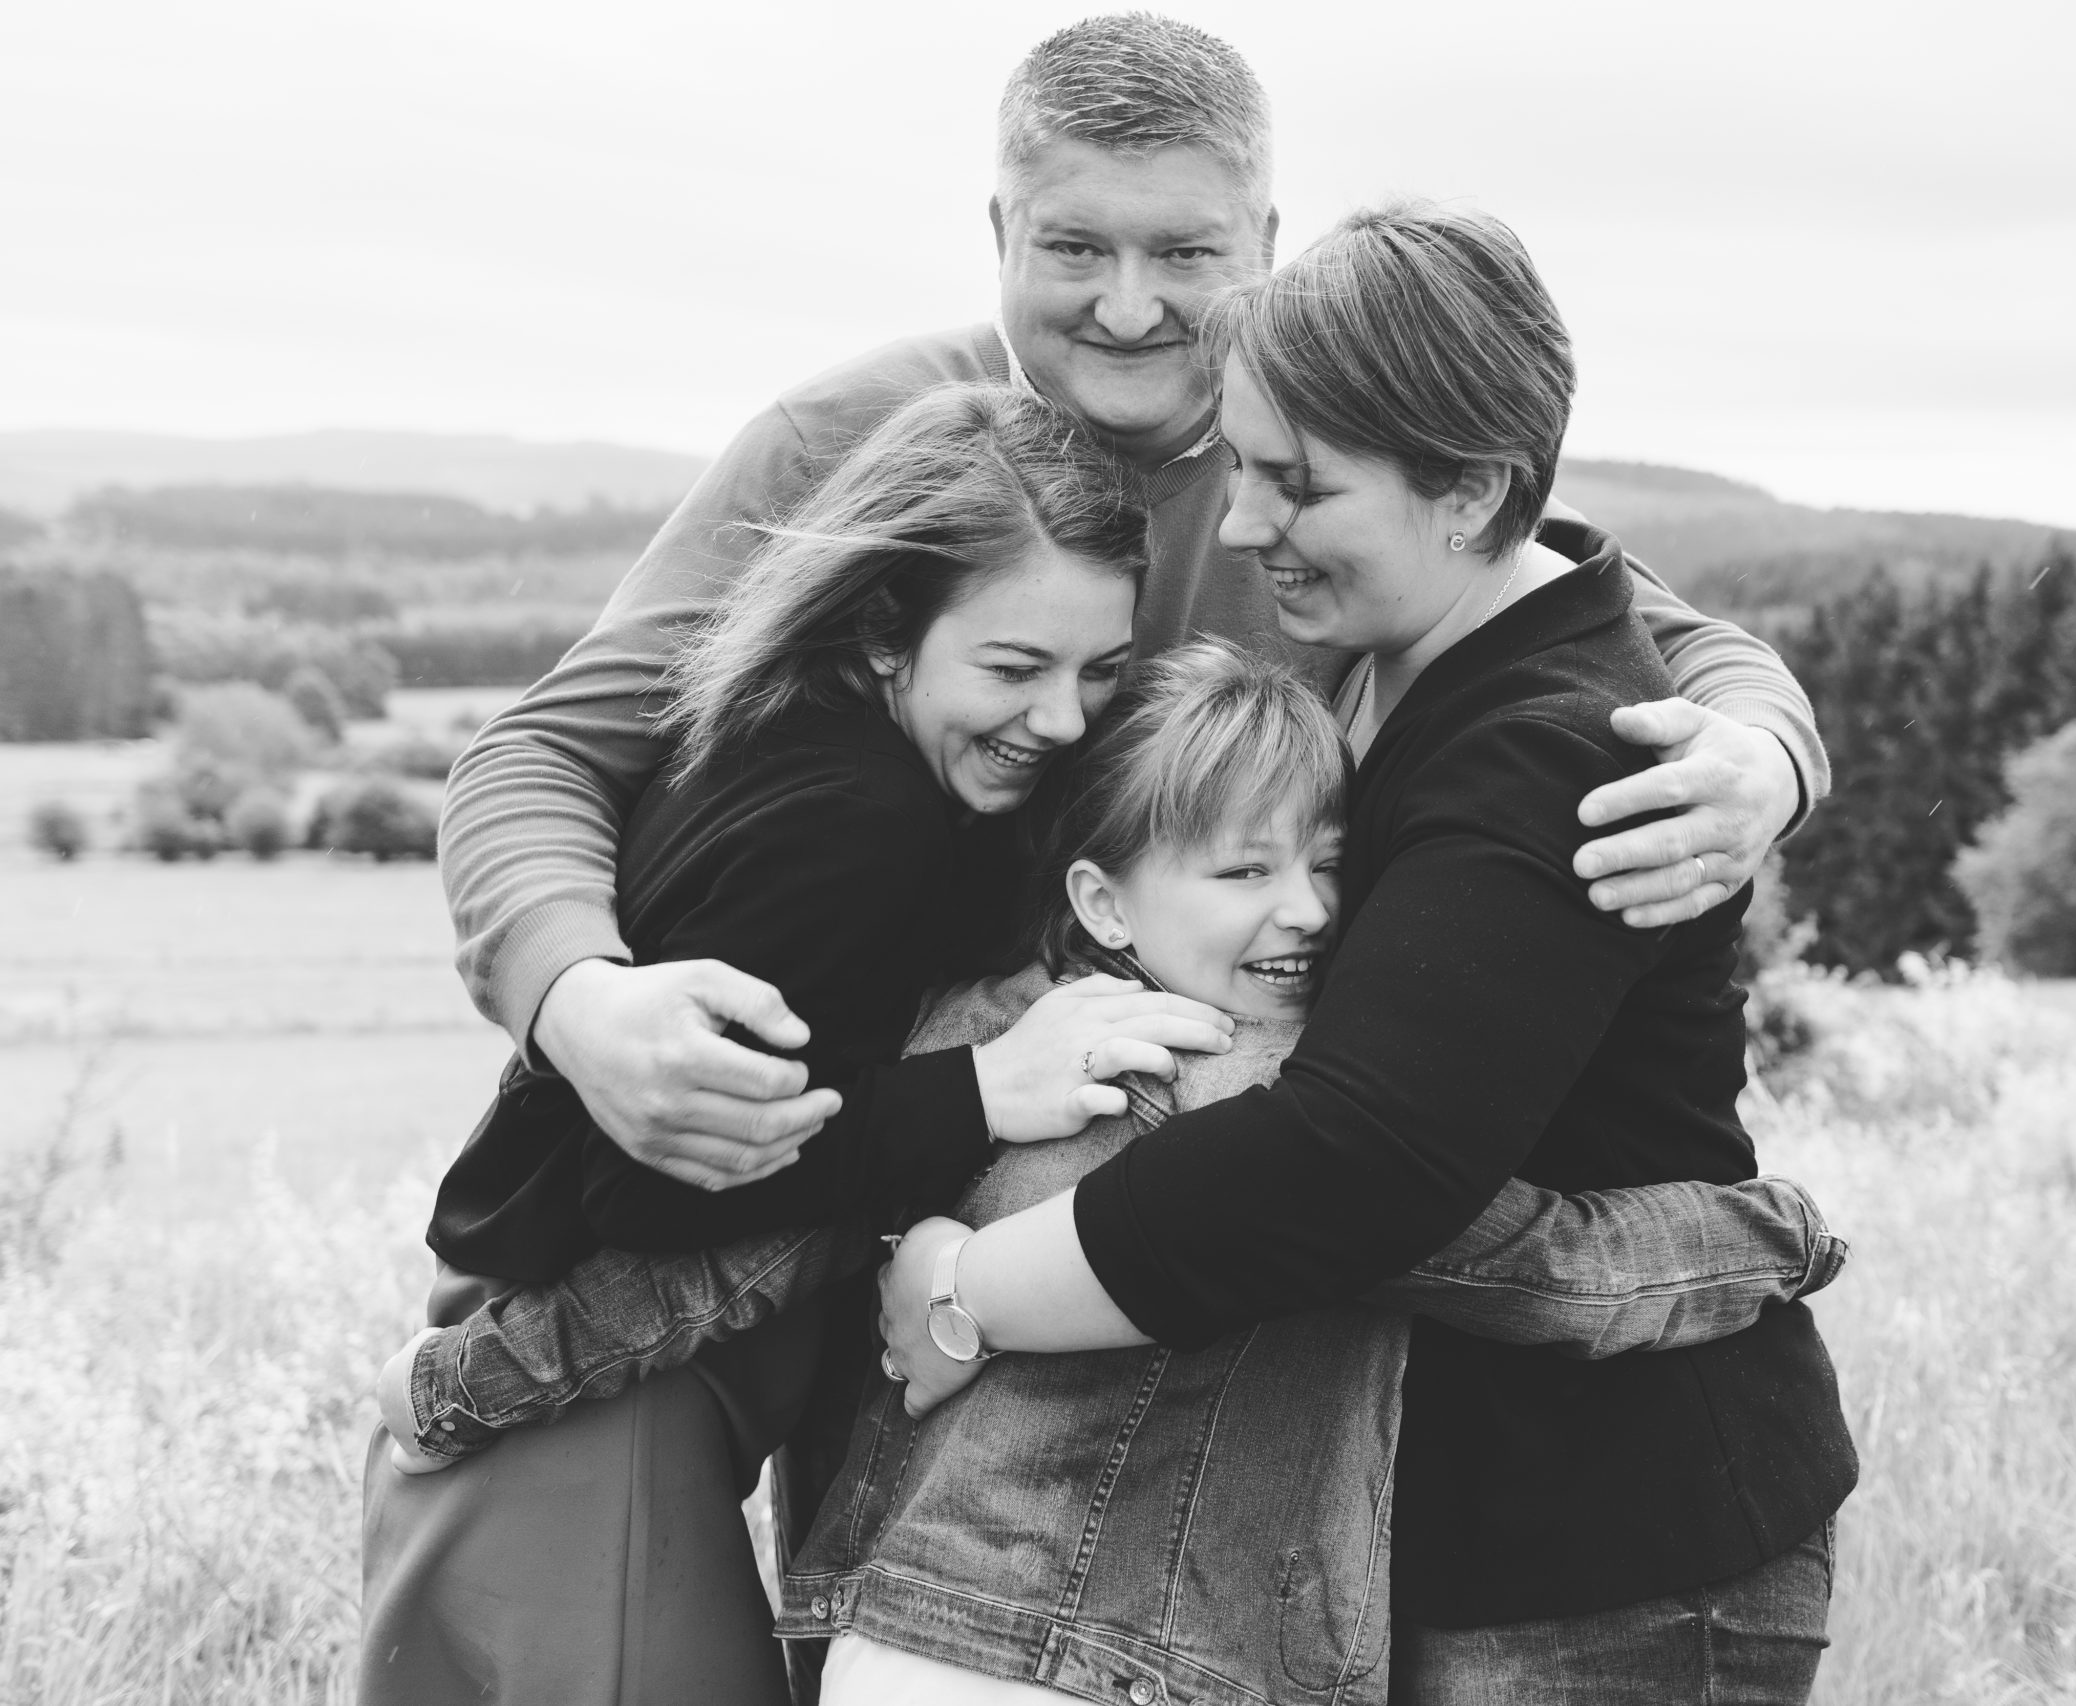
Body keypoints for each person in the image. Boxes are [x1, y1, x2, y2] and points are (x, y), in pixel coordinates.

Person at [436, 15, 1830, 1214]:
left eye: (1185, 253)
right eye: (1075, 247)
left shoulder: (1323, 448)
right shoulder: (853, 442)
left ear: (1267, 243)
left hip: (1230, 1147)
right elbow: (545, 752)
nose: (1128, 307)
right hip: (872, 1131)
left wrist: (1764, 756)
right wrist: (579, 1001)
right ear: (999, 232)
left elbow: (1626, 624)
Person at [375, 640, 1847, 1706]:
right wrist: (1769, 1235)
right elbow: (1538, 1266)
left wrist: (474, 1380)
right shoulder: (1271, 1106)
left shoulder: (972, 1050)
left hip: (899, 1644)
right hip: (1121, 1663)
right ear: (1102, 893)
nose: (1314, 909)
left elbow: (756, 1248)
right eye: (1244, 868)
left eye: (1334, 862)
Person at [874, 205, 1858, 1705]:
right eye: (1243, 468)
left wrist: (967, 1288)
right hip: (1480, 1530)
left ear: (1469, 490)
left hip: (1613, 1553)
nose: (1248, 523)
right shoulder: (1401, 656)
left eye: (1298, 485)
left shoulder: (1550, 752)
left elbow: (1353, 1160)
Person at [359, 382, 1238, 1706]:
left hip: (605, 1417)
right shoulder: (853, 818)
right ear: (889, 631)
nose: (1061, 718)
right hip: (589, 1428)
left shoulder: (799, 735)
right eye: (1013, 667)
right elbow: (653, 1183)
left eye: (1098, 674)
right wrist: (984, 1092)